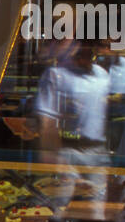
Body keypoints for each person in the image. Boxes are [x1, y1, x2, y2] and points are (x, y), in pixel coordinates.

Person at [36, 32, 111, 211]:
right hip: (68, 150)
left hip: (97, 151)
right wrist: (52, 154)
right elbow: (47, 121)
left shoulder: (102, 75)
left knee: (96, 206)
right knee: (63, 208)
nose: (87, 49)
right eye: (83, 44)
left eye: (91, 44)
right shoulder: (56, 75)